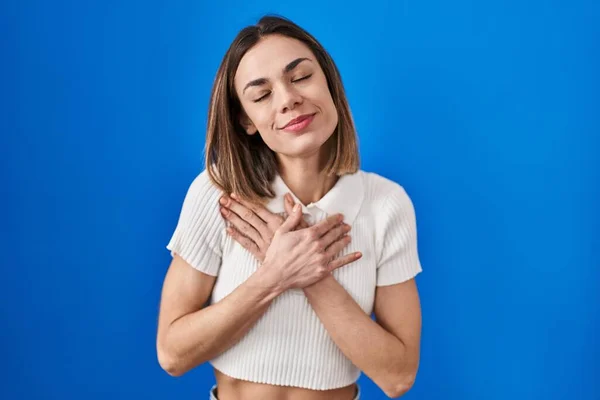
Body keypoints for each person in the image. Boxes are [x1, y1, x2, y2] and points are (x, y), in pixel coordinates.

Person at [156, 15, 423, 400]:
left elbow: (397, 376)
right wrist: (275, 275)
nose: (289, 99)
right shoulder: (219, 194)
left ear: (329, 82)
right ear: (246, 121)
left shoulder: (386, 204)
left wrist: (310, 275)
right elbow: (172, 354)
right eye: (262, 95)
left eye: (300, 77)